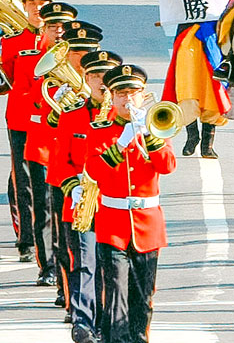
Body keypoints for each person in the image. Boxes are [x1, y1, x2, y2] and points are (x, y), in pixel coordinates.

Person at [84, 64, 176, 343]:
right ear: (112, 98)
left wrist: (149, 137)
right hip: (112, 223)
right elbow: (94, 172)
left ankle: (139, 338)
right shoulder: (99, 130)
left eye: (133, 93)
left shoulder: (157, 127)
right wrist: (120, 145)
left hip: (147, 224)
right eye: (121, 94)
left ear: (142, 95)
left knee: (144, 296)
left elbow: (168, 165)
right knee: (115, 295)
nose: (127, 100)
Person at [56, 49, 122, 343]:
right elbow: (59, 163)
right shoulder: (72, 117)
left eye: (106, 75)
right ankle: (83, 323)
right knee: (84, 262)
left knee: (113, 269)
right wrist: (75, 188)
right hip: (83, 202)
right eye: (94, 75)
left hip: (114, 205)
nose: (101, 82)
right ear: (86, 78)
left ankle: (107, 324)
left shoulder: (123, 120)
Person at [13, 1, 77, 287]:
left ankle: (72, 267)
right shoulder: (30, 60)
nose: (58, 32)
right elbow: (23, 98)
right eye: (53, 27)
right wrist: (50, 107)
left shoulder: (81, 63)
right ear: (45, 29)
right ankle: (47, 265)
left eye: (63, 27)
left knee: (70, 210)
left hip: (75, 146)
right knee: (45, 208)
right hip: (42, 143)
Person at [2, 0, 56, 265]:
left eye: (42, 2)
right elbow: (6, 79)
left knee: (51, 180)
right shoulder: (12, 41)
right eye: (31, 3)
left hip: (54, 121)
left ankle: (53, 235)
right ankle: (27, 239)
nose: (37, 7)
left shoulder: (61, 39)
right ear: (23, 6)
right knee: (22, 179)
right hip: (21, 119)